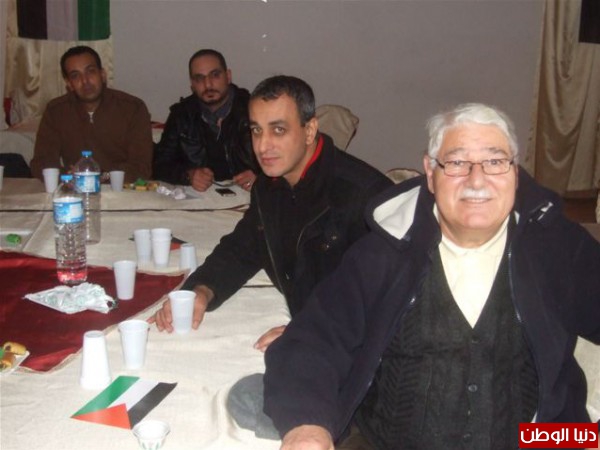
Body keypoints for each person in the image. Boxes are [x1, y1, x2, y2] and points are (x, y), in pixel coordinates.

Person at [263, 103, 600, 449]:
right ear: (430, 171)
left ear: (515, 171)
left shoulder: (556, 247)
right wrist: (307, 425)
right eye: (456, 163)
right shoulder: (385, 252)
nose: (477, 180)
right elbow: (314, 340)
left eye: (495, 161)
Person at [150, 75, 392, 352]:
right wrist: (202, 290)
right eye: (256, 130)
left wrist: (315, 329)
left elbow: (390, 298)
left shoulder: (366, 196)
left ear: (310, 130)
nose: (263, 146)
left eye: (278, 130)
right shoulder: (269, 186)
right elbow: (244, 247)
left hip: (351, 352)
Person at [30, 46, 153, 183]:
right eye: (75, 75)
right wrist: (68, 177)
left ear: (103, 75)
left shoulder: (132, 108)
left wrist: (101, 176)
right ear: (69, 83)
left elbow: (141, 167)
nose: (85, 81)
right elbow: (41, 163)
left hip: (122, 189)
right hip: (75, 188)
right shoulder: (56, 111)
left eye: (90, 71)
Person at [152, 49, 258, 192]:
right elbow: (159, 165)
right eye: (199, 78)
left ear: (228, 76)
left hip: (249, 197)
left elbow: (283, 159)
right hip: (200, 199)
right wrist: (188, 175)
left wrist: (261, 178)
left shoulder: (254, 110)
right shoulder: (182, 115)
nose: (208, 85)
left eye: (215, 75)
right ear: (192, 84)